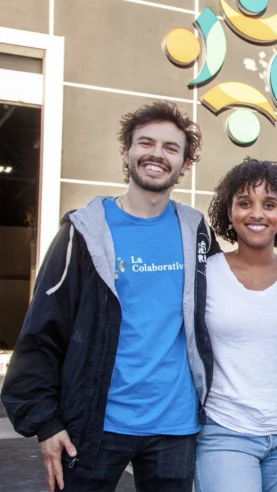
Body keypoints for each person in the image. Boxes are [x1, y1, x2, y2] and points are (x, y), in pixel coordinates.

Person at [1, 101, 218, 492]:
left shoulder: (196, 231)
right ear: (126, 151)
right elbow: (42, 331)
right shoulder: (83, 232)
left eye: (171, 147)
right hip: (94, 424)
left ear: (185, 164)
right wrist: (46, 422)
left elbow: (231, 293)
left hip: (176, 426)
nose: (156, 154)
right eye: (145, 143)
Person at [194, 158, 277, 492]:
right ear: (229, 212)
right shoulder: (204, 274)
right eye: (244, 203)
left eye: (269, 204)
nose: (256, 214)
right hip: (224, 430)